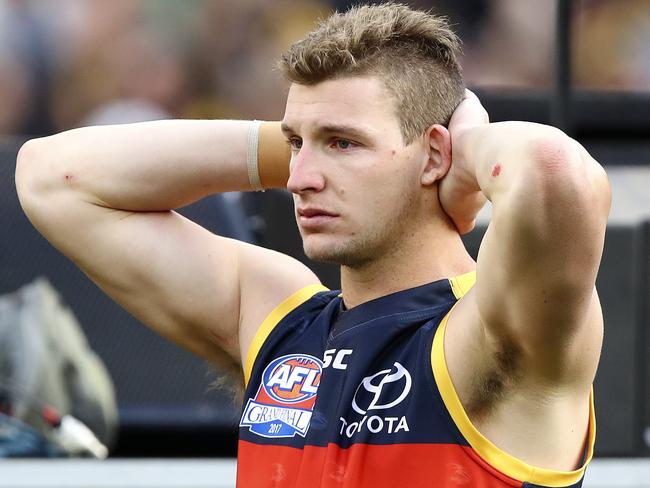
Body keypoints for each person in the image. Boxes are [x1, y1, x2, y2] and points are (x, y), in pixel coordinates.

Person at [15, 3, 610, 487]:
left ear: (433, 153)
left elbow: (557, 172)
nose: (300, 179)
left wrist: (469, 146)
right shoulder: (274, 315)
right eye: (298, 144)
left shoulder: (492, 329)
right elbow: (51, 177)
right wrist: (305, 144)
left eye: (344, 143)